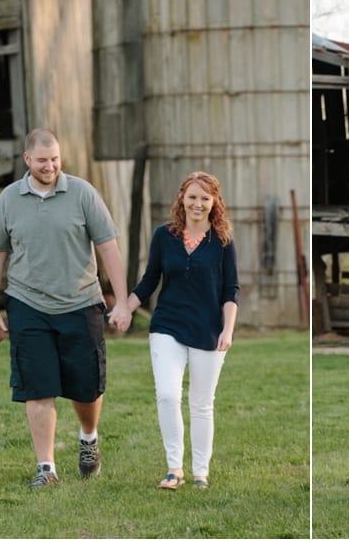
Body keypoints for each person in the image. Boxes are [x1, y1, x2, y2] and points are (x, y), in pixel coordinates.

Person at [0, 128, 132, 488]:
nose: (50, 167)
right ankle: (46, 468)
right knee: (38, 387)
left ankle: (88, 438)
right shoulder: (8, 199)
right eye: (43, 160)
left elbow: (108, 246)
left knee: (87, 387)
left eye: (55, 160)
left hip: (80, 302)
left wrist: (123, 300)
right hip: (27, 302)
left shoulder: (82, 193)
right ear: (27, 160)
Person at [125, 171, 239, 490]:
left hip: (208, 330)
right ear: (182, 199)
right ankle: (174, 468)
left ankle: (200, 471)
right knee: (167, 394)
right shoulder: (165, 236)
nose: (197, 204)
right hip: (167, 325)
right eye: (192, 197)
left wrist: (228, 331)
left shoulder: (223, 242)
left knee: (202, 403)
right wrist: (125, 307)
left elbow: (231, 291)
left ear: (214, 202)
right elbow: (150, 280)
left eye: (204, 198)